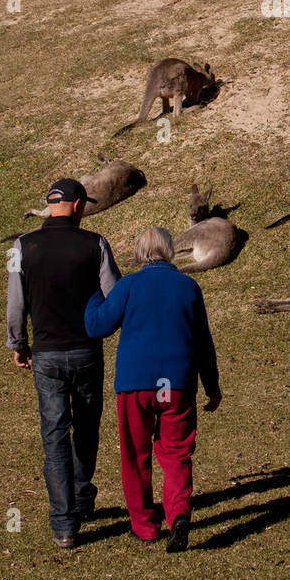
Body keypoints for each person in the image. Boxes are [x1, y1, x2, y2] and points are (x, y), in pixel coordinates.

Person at [84, 226, 221, 553]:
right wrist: (212, 386)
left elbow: (97, 325)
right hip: (177, 383)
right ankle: (179, 516)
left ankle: (145, 526)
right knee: (176, 454)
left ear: (140, 253)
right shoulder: (188, 286)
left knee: (136, 454)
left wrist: (92, 294)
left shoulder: (129, 285)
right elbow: (203, 341)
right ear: (170, 250)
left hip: (136, 383)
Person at [6, 178, 121, 548]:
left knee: (54, 435)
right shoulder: (96, 243)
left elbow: (16, 302)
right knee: (86, 428)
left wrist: (19, 343)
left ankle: (64, 524)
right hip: (86, 351)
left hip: (46, 354)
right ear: (77, 205)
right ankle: (82, 496)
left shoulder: (22, 246)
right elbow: (115, 297)